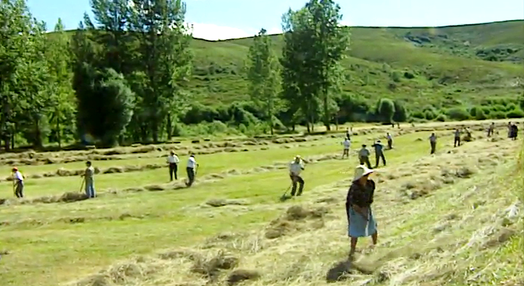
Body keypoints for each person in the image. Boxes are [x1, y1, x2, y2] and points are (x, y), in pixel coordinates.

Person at [346, 165, 378, 257]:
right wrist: (362, 213)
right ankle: (352, 251)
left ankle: (374, 245)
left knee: (373, 226)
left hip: (366, 206)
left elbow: (370, 197)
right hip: (355, 210)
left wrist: (366, 209)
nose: (367, 176)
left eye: (367, 174)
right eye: (365, 175)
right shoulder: (354, 188)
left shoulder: (370, 184)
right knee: (355, 231)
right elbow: (353, 204)